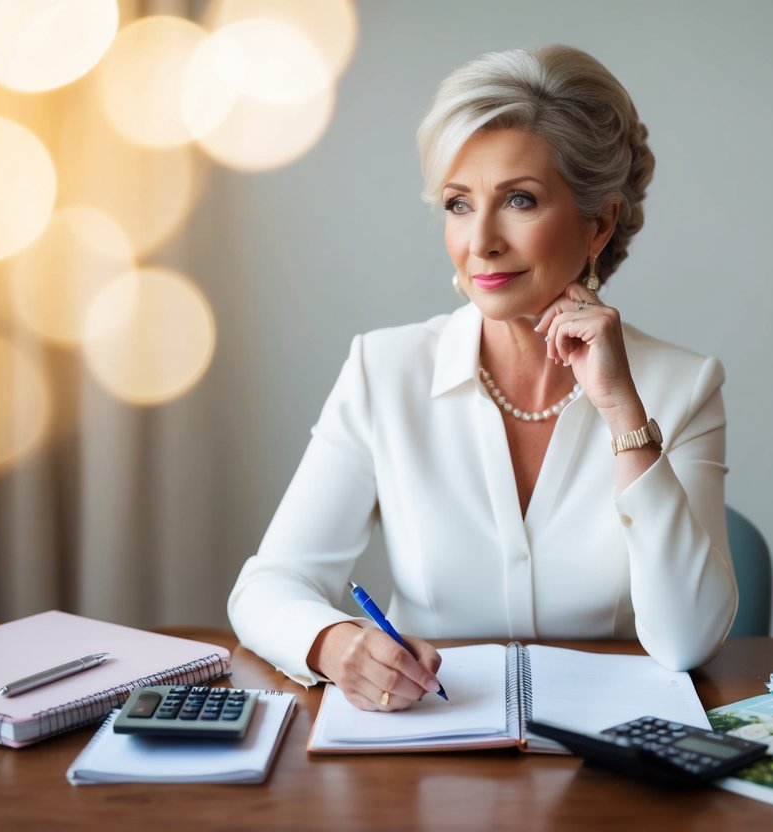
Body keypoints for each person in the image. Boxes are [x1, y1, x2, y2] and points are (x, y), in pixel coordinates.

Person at [228, 45, 737, 712]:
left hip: (610, 767)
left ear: (599, 221)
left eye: (519, 200)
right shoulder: (384, 371)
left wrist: (620, 411)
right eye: (458, 204)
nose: (481, 242)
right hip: (430, 755)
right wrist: (335, 644)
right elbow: (267, 586)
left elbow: (686, 641)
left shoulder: (682, 385)